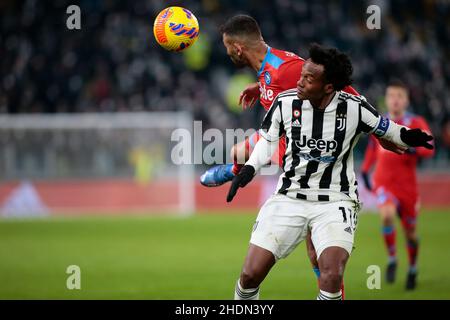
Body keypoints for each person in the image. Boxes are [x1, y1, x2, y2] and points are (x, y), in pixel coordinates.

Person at [227, 44, 434, 300]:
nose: (299, 82)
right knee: (249, 276)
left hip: (335, 201)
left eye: (308, 79)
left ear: (328, 87)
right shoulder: (285, 102)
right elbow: (268, 140)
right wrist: (248, 169)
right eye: (301, 74)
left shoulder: (355, 108)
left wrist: (410, 136)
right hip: (289, 196)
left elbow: (389, 129)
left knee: (332, 276)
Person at [360, 80, 435, 290]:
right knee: (386, 214)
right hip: (384, 183)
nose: (395, 100)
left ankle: (412, 268)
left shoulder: (416, 122)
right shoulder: (381, 122)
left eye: (399, 96)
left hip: (408, 189)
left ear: (406, 100)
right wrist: (365, 170)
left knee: (411, 234)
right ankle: (392, 258)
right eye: (391, 96)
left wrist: (413, 149)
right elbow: (372, 150)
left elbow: (430, 148)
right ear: (387, 98)